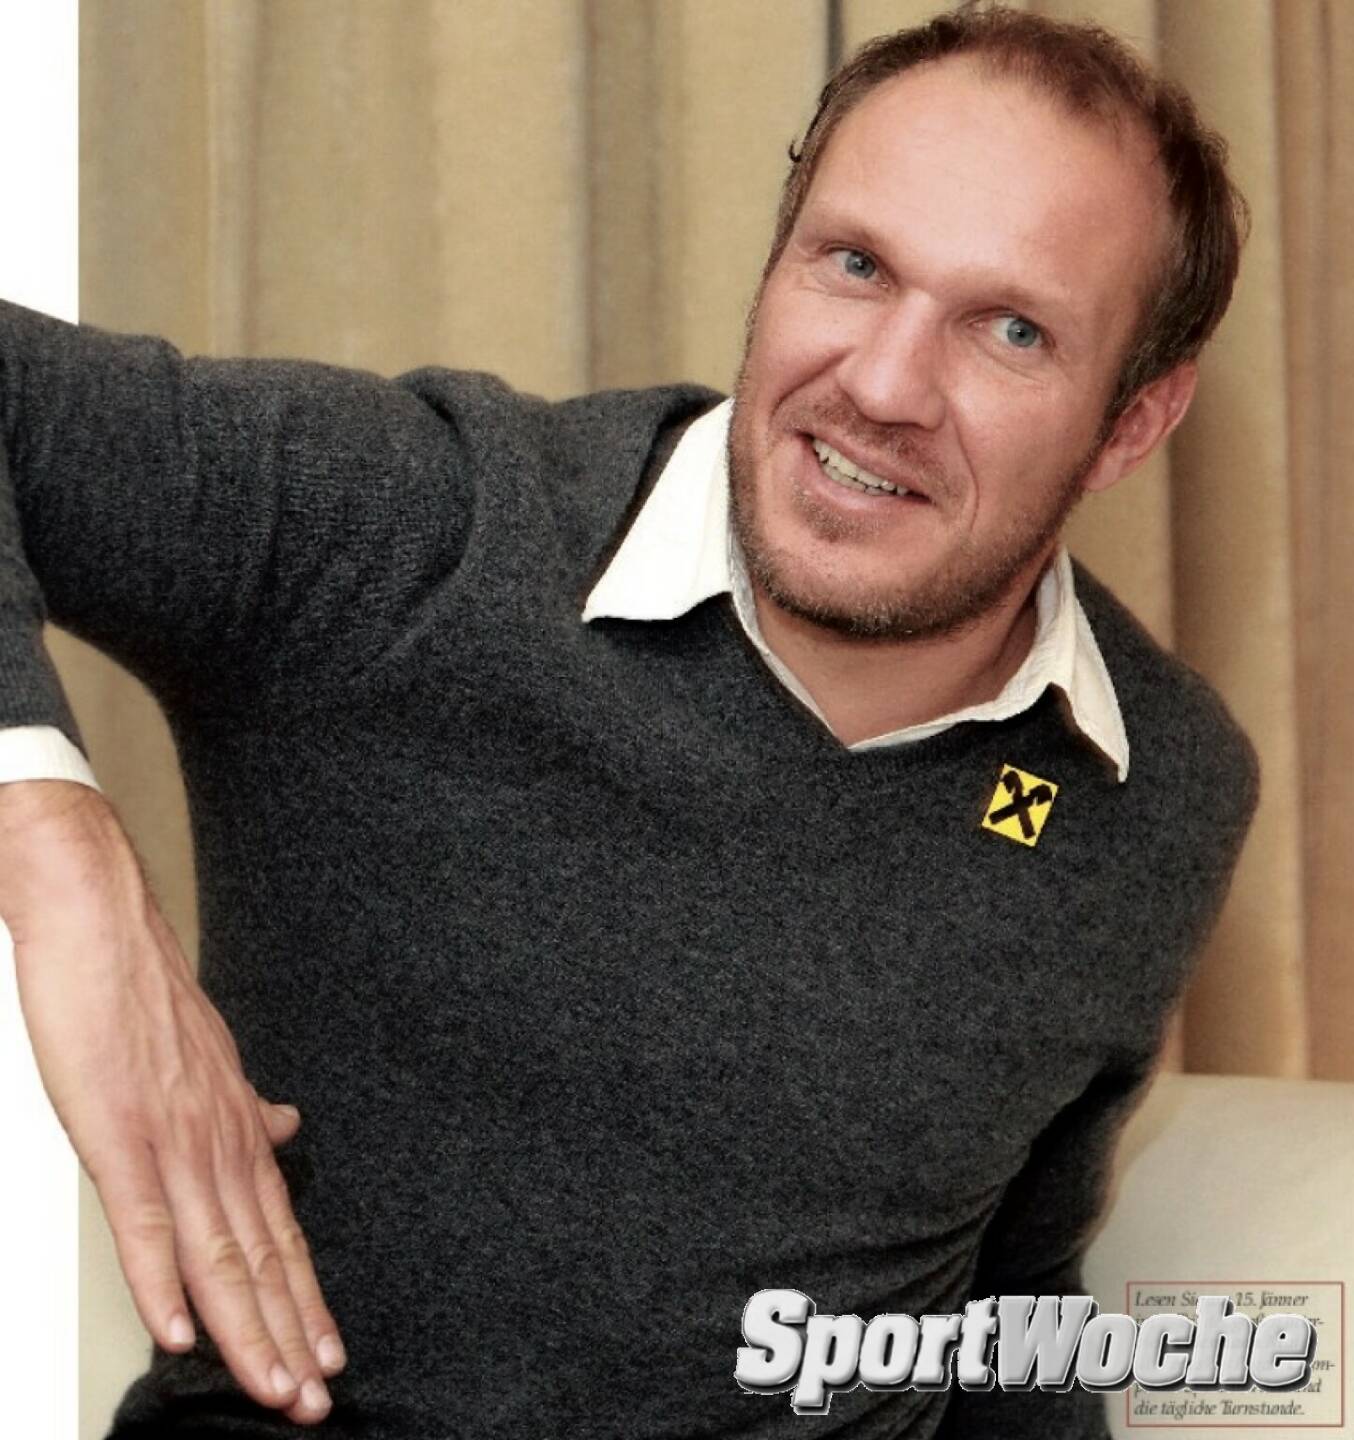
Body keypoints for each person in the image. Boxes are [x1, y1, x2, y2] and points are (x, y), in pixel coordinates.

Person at [0, 7, 1256, 1437]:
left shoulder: (1156, 785)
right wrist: (57, 851)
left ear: (1131, 423)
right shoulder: (416, 535)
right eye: (854, 264)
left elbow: (998, 1303)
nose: (883, 385)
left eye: (1011, 330)